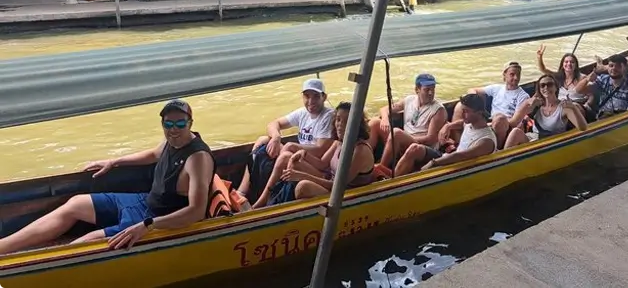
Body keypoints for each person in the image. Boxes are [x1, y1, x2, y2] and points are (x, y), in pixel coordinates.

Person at [0, 99, 214, 255]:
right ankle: (4, 246)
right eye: (168, 124)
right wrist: (114, 161)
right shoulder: (171, 140)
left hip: (156, 218)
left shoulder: (198, 158)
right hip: (144, 200)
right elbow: (152, 154)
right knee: (75, 203)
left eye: (180, 124)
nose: (173, 130)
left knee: (83, 245)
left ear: (190, 123)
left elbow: (195, 212)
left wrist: (148, 225)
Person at [238, 78, 334, 207]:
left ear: (324, 97)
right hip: (300, 157)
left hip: (317, 166)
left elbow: (321, 150)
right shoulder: (303, 113)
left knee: (286, 154)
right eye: (307, 96)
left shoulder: (328, 116)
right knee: (263, 140)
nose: (310, 101)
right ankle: (242, 192)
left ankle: (261, 203)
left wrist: (292, 147)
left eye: (316, 96)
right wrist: (276, 137)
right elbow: (274, 123)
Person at [266, 102, 376, 203]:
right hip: (330, 183)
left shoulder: (360, 150)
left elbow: (337, 186)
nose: (340, 125)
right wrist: (303, 153)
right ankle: (267, 202)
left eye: (347, 121)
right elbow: (322, 164)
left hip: (346, 195)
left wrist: (302, 176)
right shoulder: (338, 143)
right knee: (294, 163)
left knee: (303, 187)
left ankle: (281, 210)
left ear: (357, 124)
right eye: (338, 119)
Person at [369, 72, 448, 174]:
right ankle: (363, 160)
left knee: (396, 133)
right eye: (427, 89)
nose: (431, 93)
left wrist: (404, 138)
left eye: (433, 89)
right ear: (417, 90)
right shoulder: (409, 100)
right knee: (375, 122)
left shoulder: (438, 110)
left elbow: (431, 139)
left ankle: (381, 169)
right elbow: (385, 109)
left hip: (424, 148)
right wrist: (385, 118)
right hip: (405, 139)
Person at [454, 60, 529, 148]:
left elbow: (514, 121)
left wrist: (495, 120)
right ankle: (459, 143)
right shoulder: (497, 88)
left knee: (499, 119)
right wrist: (474, 99)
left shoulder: (523, 96)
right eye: (512, 74)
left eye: (518, 75)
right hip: (491, 119)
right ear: (504, 75)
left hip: (506, 124)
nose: (516, 78)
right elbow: (473, 90)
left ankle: (496, 148)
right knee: (460, 105)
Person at [505, 74, 588, 146]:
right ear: (540, 89)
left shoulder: (564, 107)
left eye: (550, 84)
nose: (546, 88)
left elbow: (583, 128)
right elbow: (514, 122)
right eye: (542, 85)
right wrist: (527, 103)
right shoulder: (537, 105)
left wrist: (573, 107)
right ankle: (502, 160)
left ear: (556, 87)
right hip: (533, 138)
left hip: (550, 142)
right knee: (516, 132)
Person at [421, 94, 497, 169]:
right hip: (451, 159)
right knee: (416, 149)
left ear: (479, 113)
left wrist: (433, 163)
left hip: (458, 168)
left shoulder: (486, 141)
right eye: (462, 111)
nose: (462, 115)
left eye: (466, 111)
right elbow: (461, 123)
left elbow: (462, 156)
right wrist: (448, 126)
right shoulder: (470, 124)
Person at [574, 54, 628, 118]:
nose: (614, 68)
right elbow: (578, 90)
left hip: (618, 121)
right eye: (611, 66)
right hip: (600, 117)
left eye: (618, 66)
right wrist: (587, 79)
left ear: (625, 67)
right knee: (574, 107)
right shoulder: (603, 80)